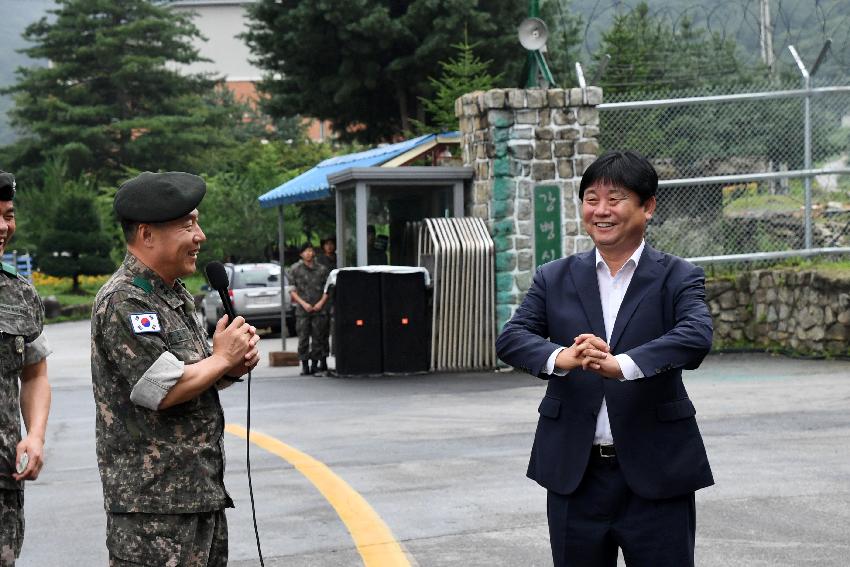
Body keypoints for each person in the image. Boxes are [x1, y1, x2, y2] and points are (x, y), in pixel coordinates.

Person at [495, 151, 714, 567]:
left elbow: (695, 335)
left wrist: (623, 365)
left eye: (615, 199)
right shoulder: (553, 276)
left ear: (647, 207)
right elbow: (512, 338)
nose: (601, 210)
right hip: (575, 477)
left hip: (658, 474)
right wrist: (563, 356)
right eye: (591, 199)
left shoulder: (678, 276)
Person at [90, 171, 260, 566]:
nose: (200, 235)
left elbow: (193, 374)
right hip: (154, 509)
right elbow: (159, 389)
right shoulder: (124, 300)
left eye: (197, 222)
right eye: (188, 225)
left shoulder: (172, 294)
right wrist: (220, 359)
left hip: (197, 493)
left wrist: (230, 366)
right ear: (147, 235)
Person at [0, 171, 51, 567]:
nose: (4, 227)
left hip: (4, 480)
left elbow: (34, 373)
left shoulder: (20, 293)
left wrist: (34, 436)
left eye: (9, 215)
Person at [289, 242, 330, 375]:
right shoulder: (295, 269)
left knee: (318, 337)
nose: (308, 253)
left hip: (319, 309)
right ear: (301, 254)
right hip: (303, 310)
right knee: (303, 338)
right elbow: (292, 290)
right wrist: (303, 304)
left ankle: (315, 364)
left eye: (310, 251)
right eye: (306, 251)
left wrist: (321, 303)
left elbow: (328, 289)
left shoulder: (322, 269)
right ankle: (305, 365)